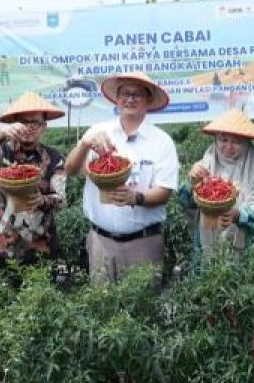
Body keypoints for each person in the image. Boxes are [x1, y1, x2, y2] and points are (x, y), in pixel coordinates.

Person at [65, 71, 178, 285]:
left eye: (137, 94)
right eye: (125, 93)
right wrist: (84, 144)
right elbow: (70, 169)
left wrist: (136, 198)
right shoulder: (98, 132)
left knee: (143, 307)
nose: (130, 99)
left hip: (143, 243)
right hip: (100, 241)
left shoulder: (162, 141)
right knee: (103, 310)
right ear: (117, 99)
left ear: (148, 100)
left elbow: (164, 192)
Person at [0, 92, 68, 269]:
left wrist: (43, 200)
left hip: (41, 243)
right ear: (15, 125)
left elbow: (61, 199)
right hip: (4, 242)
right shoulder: (2, 152)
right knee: (4, 292)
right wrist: (0, 135)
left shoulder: (54, 158)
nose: (29, 127)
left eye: (35, 123)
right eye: (24, 122)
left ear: (44, 127)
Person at [177, 109, 254, 261]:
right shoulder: (206, 163)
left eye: (236, 141)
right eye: (223, 139)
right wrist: (191, 181)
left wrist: (238, 214)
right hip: (207, 239)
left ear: (246, 142)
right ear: (216, 139)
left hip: (246, 246)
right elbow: (184, 201)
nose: (228, 146)